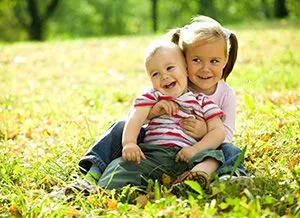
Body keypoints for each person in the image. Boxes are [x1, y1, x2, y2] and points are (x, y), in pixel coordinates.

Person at [78, 15, 247, 191]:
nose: (205, 68)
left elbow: (222, 135)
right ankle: (93, 173)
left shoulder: (220, 95)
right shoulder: (167, 85)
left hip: (197, 150)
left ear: (225, 61)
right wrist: (153, 113)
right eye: (196, 60)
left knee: (228, 151)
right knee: (119, 127)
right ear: (185, 62)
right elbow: (137, 115)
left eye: (214, 61)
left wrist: (202, 134)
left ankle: (222, 177)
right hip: (155, 144)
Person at [97, 40, 225, 190]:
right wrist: (130, 143)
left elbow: (218, 131)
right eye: (155, 74)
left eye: (170, 68)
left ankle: (192, 179)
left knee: (216, 156)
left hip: (189, 157)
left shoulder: (201, 101)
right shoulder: (153, 97)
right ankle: (106, 190)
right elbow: (135, 117)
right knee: (119, 165)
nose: (164, 76)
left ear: (185, 68)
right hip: (153, 156)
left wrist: (196, 149)